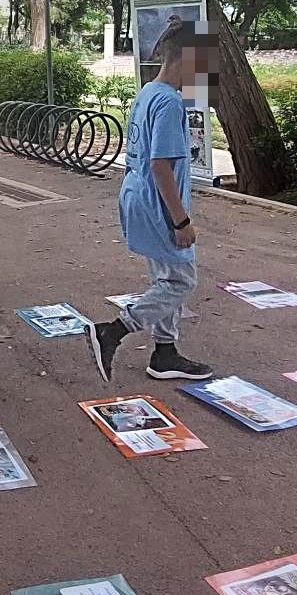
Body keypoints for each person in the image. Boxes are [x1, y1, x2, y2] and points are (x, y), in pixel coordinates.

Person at [88, 20, 216, 383]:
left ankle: (165, 352)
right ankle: (114, 331)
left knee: (166, 278)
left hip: (138, 197)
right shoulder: (170, 102)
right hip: (157, 205)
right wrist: (181, 221)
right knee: (181, 282)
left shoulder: (149, 92)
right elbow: (161, 165)